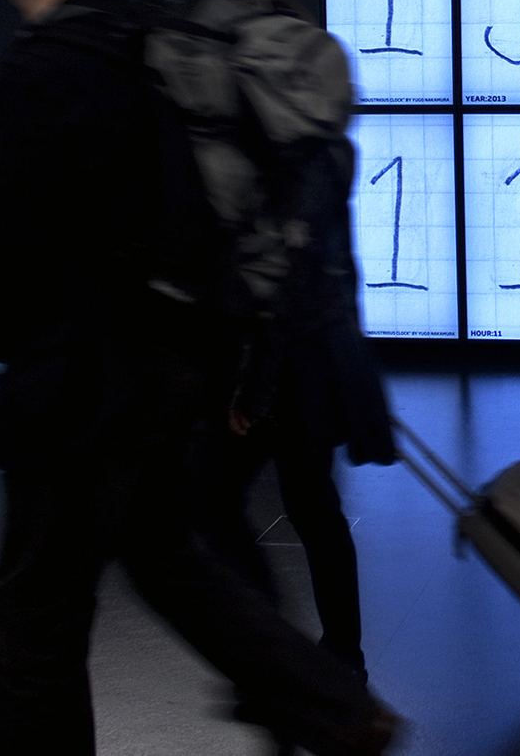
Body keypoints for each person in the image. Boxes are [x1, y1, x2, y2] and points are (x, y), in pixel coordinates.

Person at [0, 0, 399, 756]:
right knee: (173, 561)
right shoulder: (159, 48)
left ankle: (333, 706)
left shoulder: (36, 76)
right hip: (175, 376)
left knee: (30, 629)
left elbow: (14, 268)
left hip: (76, 393)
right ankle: (334, 704)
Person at [193, 113, 396, 687]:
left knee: (217, 500)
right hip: (312, 363)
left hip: (285, 367)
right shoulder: (322, 152)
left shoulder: (282, 162)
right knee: (311, 507)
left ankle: (278, 655)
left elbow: (280, 287)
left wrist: (253, 391)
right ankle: (338, 658)